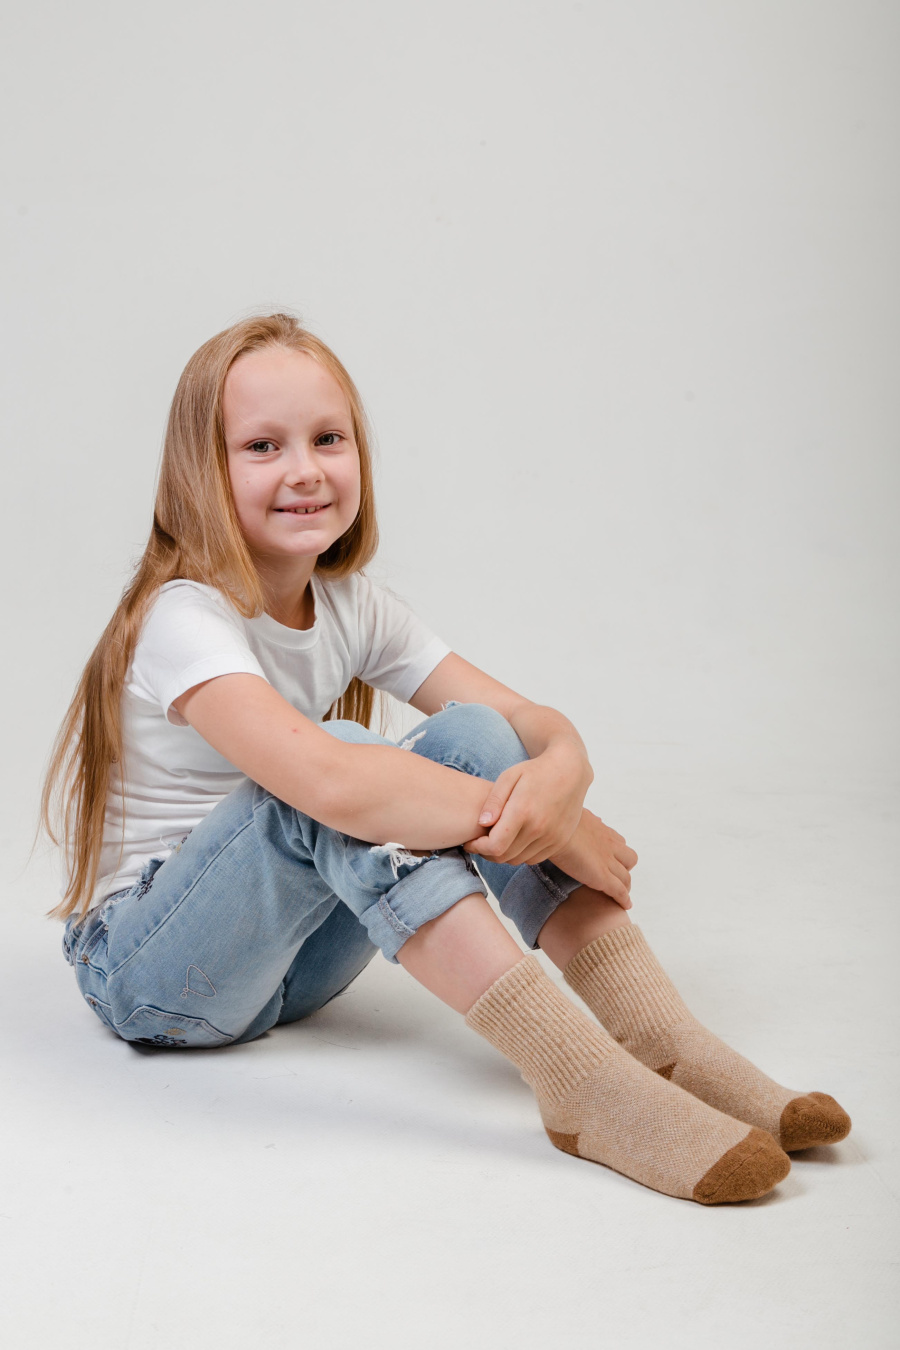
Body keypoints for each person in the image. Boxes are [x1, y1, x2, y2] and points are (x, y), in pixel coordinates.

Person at [40, 313, 850, 1205]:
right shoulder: (181, 618)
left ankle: (660, 1038)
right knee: (348, 768)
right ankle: (583, 1084)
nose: (305, 469)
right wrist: (551, 828)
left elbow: (521, 722)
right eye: (263, 446)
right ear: (203, 470)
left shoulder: (350, 604)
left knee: (475, 737)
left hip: (288, 968)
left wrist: (563, 773)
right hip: (152, 973)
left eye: (329, 438)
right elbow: (329, 781)